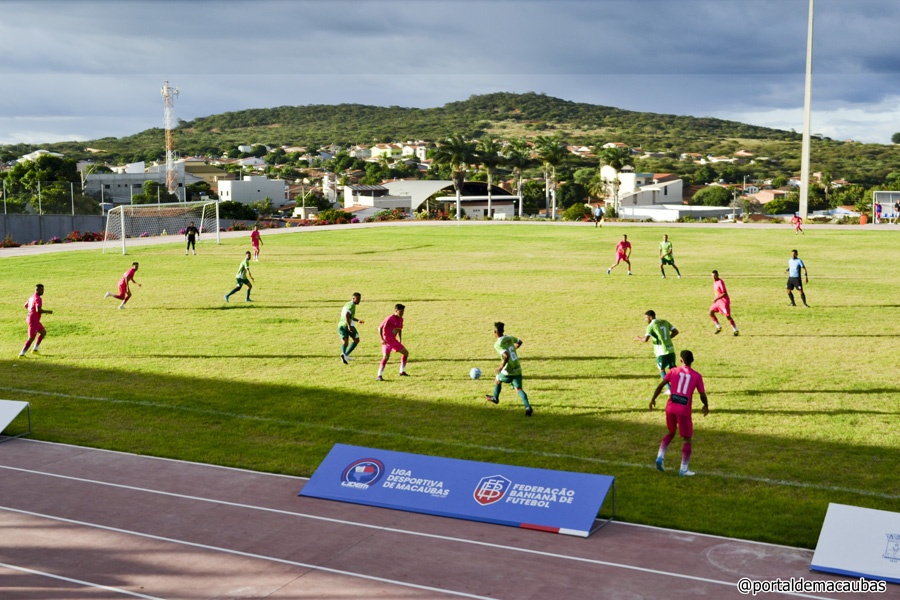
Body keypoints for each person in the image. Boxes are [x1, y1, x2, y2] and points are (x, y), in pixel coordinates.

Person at [649, 350, 709, 477]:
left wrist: (653, 398)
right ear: (692, 361)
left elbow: (661, 385)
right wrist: (706, 405)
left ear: (681, 360)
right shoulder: (697, 376)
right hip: (683, 411)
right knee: (687, 439)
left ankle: (660, 456)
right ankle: (683, 469)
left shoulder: (673, 371)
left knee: (671, 432)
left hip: (670, 408)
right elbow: (702, 394)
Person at [485, 322, 533, 416]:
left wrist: (501, 366)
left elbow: (505, 355)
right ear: (503, 331)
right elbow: (519, 342)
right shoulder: (510, 337)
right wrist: (514, 349)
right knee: (518, 389)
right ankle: (527, 406)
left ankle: (495, 398)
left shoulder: (497, 344)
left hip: (508, 370)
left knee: (497, 379)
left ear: (495, 332)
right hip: (517, 367)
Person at [636, 310, 679, 379]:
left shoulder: (651, 326)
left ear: (650, 317)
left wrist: (638, 338)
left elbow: (645, 340)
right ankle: (678, 385)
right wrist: (668, 338)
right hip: (670, 349)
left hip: (661, 351)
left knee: (661, 369)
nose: (645, 320)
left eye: (645, 318)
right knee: (673, 368)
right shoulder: (664, 321)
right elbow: (676, 332)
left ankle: (669, 388)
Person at [377, 304, 408, 380]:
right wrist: (381, 339)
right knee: (386, 357)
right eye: (401, 311)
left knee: (406, 353)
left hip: (394, 340)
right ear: (396, 311)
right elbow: (380, 328)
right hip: (386, 341)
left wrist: (400, 339)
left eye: (403, 311)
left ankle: (402, 371)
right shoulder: (390, 318)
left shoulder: (401, 319)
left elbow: (399, 329)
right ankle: (379, 375)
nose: (402, 313)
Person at [20, 284, 52, 357]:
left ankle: (35, 349)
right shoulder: (38, 298)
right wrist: (48, 311)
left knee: (43, 332)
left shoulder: (32, 297)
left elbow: (25, 305)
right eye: (41, 290)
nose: (43, 291)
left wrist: (30, 311)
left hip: (33, 319)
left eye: (43, 289)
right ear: (37, 290)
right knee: (31, 338)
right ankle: (22, 354)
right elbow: (38, 310)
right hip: (33, 320)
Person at [709, 270, 738, 336]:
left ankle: (736, 330)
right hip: (718, 302)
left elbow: (724, 293)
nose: (713, 277)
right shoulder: (714, 282)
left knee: (728, 316)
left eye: (715, 276)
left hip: (724, 302)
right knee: (710, 312)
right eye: (712, 276)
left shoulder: (720, 282)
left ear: (717, 275)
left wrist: (717, 298)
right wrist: (716, 298)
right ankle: (719, 327)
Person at [339, 293, 364, 364]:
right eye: (358, 299)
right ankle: (346, 355)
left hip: (340, 325)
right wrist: (349, 325)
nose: (359, 300)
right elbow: (347, 315)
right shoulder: (352, 305)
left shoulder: (347, 304)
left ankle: (343, 354)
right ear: (353, 298)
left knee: (345, 342)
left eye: (360, 299)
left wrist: (358, 320)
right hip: (347, 325)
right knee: (356, 339)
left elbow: (349, 316)